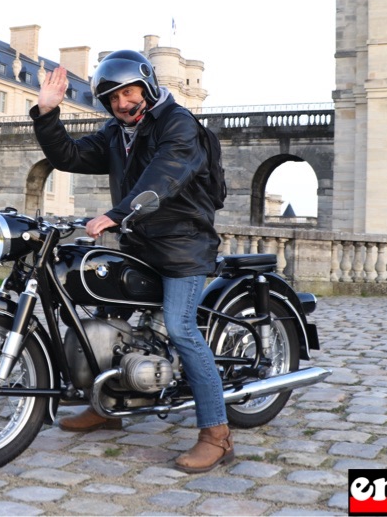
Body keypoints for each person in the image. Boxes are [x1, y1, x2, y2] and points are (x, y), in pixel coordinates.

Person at [28, 50, 234, 473]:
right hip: (140, 245)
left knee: (180, 327)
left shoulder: (178, 124)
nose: (122, 102)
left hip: (184, 248)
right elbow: (68, 156)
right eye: (112, 97)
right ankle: (108, 405)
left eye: (128, 92)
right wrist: (47, 113)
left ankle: (217, 434)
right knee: (106, 315)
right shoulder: (116, 134)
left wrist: (117, 214)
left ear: (147, 84)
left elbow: (165, 175)